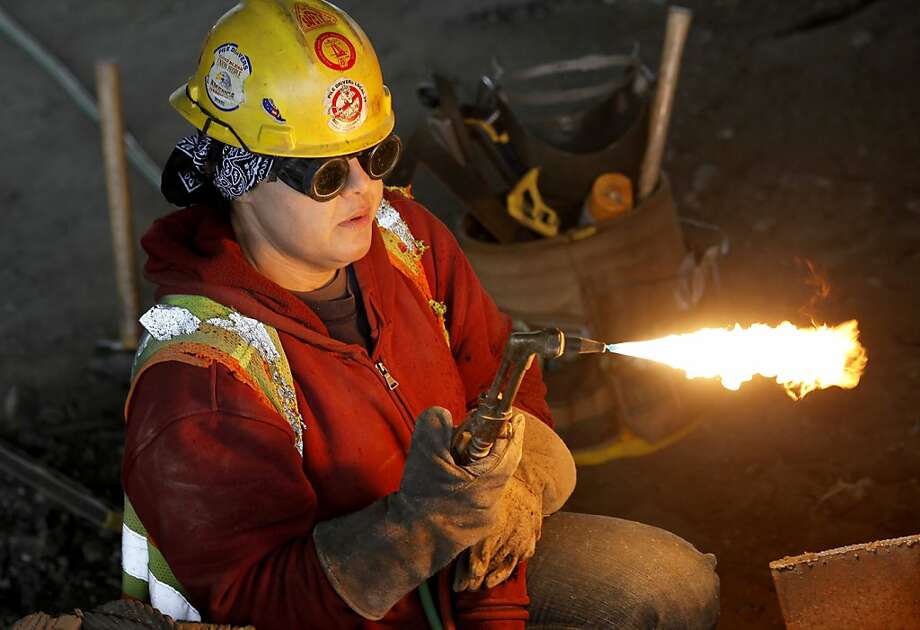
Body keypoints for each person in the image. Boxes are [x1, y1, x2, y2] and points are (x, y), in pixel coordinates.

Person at [120, 1, 720, 628]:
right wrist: (411, 531)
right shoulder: (204, 380)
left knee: (664, 586)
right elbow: (261, 602)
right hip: (348, 615)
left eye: (374, 155)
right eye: (326, 174)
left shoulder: (407, 239)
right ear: (240, 176)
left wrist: (517, 487)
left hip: (460, 583)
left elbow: (506, 380)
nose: (363, 189)